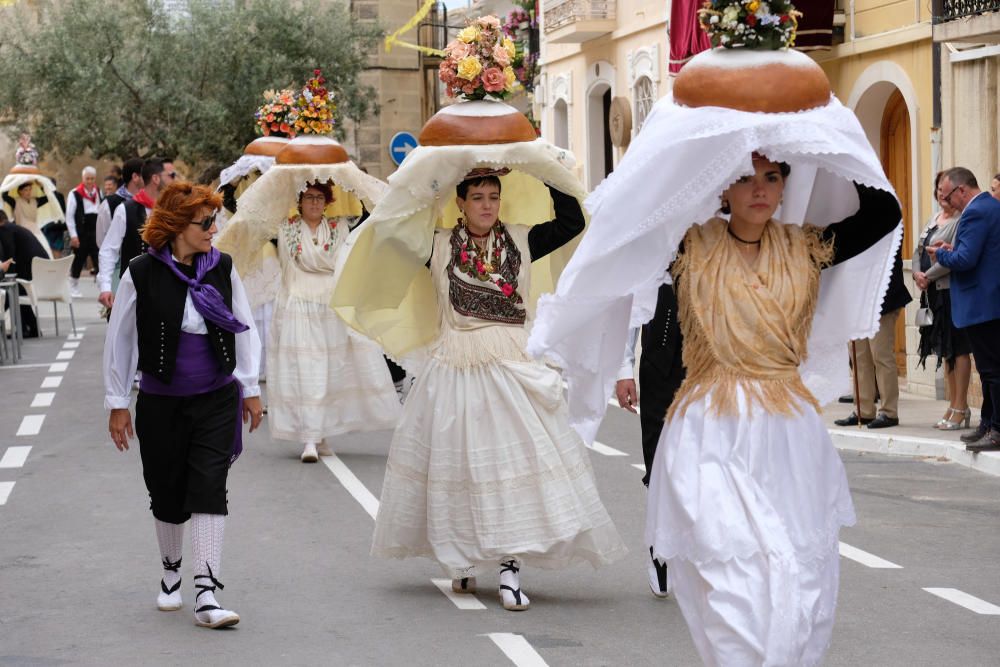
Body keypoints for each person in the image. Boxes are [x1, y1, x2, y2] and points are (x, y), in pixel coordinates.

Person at [368, 171, 627, 610]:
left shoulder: (523, 240)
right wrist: (427, 183)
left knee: (511, 471)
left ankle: (509, 568)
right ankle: (465, 559)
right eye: (477, 198)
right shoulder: (436, 244)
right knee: (464, 471)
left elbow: (571, 221)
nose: (487, 205)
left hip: (512, 364)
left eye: (493, 197)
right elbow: (389, 232)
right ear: (461, 203)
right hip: (455, 365)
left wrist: (543, 168)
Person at [103, 182, 262, 629]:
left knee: (210, 487)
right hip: (160, 402)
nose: (214, 228)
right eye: (205, 222)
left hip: (215, 397)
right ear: (176, 227)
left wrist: (250, 387)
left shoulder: (222, 267)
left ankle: (207, 591)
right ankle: (172, 573)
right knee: (167, 492)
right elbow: (120, 341)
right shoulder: (141, 272)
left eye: (215, 220)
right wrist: (118, 402)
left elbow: (244, 324)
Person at [268, 181, 401, 462]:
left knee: (329, 371)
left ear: (327, 202)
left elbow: (349, 258)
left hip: (330, 304)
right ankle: (309, 439)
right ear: (300, 201)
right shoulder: (287, 228)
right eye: (309, 198)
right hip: (299, 304)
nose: (314, 203)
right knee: (306, 370)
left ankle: (321, 433)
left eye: (319, 198)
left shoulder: (339, 228)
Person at [615, 282, 685, 597]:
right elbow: (632, 302)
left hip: (711, 360)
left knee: (704, 462)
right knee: (659, 458)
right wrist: (623, 368)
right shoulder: (656, 240)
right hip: (662, 357)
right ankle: (660, 547)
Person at [930, 167, 1000, 451]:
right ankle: (987, 423)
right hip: (987, 301)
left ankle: (996, 429)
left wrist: (942, 253)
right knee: (988, 370)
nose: (946, 203)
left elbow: (966, 260)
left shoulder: (976, 211)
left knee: (992, 370)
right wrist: (953, 247)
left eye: (947, 197)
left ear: (961, 190)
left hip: (983, 303)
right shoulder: (988, 206)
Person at [913, 171, 972, 430]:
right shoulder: (933, 218)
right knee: (945, 351)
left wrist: (926, 274)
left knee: (958, 349)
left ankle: (961, 406)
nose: (941, 195)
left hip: (950, 290)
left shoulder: (961, 220)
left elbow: (955, 256)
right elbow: (918, 249)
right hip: (932, 293)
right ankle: (953, 405)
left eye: (945, 191)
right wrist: (917, 272)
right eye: (938, 190)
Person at [834, 245, 911, 429]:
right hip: (856, 300)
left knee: (881, 356)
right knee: (859, 357)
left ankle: (889, 412)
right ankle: (863, 410)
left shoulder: (885, 224)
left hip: (881, 300)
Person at [98, 159, 177, 308]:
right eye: (171, 175)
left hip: (167, 289)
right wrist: (106, 286)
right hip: (132, 290)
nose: (175, 179)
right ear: (156, 178)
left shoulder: (174, 209)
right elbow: (108, 249)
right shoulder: (125, 210)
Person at [0, 209, 47, 337]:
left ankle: (24, 330)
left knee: (13, 292)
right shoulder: (13, 228)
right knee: (17, 294)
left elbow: (10, 256)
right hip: (38, 266)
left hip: (30, 266)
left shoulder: (4, 230)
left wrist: (5, 275)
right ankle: (32, 329)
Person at [66, 166, 103, 297]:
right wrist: (74, 235)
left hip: (95, 230)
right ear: (83, 178)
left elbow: (101, 210)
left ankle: (103, 286)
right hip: (82, 230)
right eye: (87, 178)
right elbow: (69, 216)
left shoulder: (98, 191)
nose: (90, 181)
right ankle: (73, 286)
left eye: (92, 178)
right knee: (79, 259)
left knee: (99, 258)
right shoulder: (75, 193)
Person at [2, 182, 54, 257]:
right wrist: (14, 181)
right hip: (22, 233)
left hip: (36, 232)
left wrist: (41, 186)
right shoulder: (15, 201)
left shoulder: (35, 201)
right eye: (26, 190)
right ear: (20, 191)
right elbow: (4, 195)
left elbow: (48, 197)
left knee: (45, 252)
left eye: (30, 189)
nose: (28, 192)